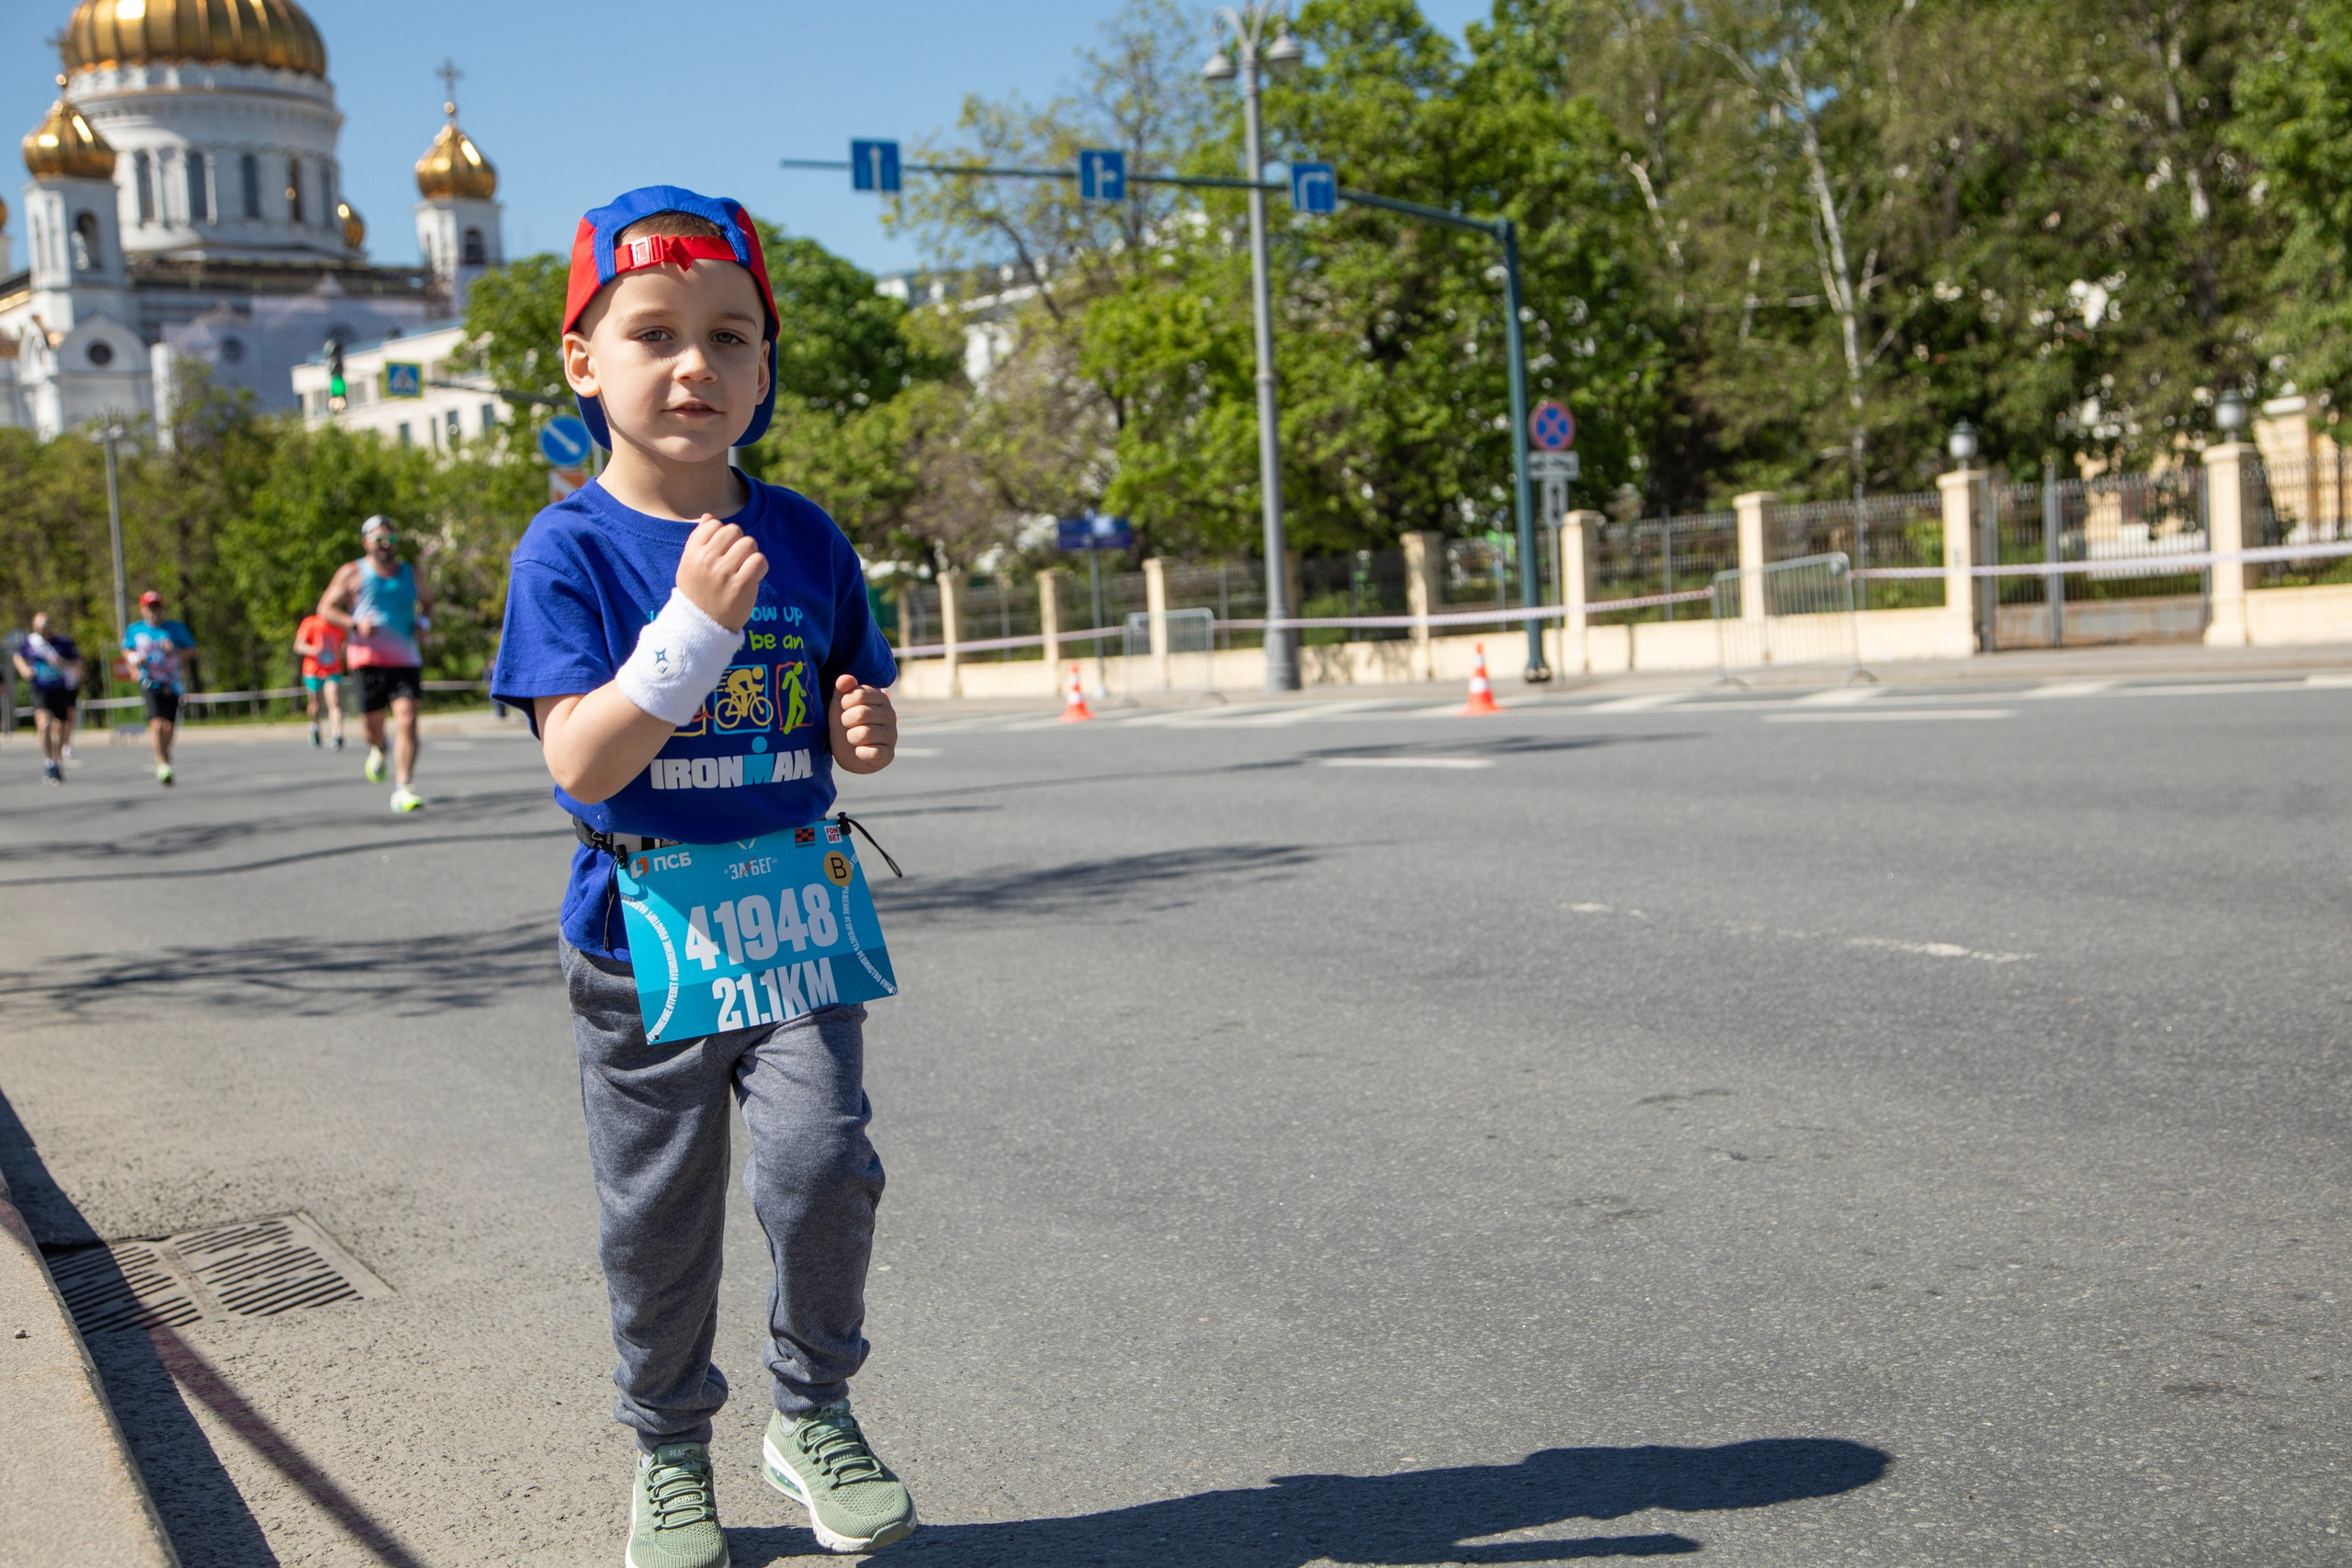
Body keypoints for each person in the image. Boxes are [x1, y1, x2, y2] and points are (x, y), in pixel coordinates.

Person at [489, 187, 908, 1567]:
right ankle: (670, 1447)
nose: (695, 366)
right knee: (662, 1210)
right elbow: (590, 761)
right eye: (655, 332)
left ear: (766, 366)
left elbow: (852, 695)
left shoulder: (805, 535)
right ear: (581, 359)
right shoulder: (569, 550)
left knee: (821, 1163)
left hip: (793, 914)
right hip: (642, 933)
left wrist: (864, 726)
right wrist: (686, 632)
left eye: (733, 338)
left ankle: (814, 1409)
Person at [318, 516, 433, 811]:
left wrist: (423, 622)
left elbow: (428, 603)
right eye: (379, 539)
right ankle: (378, 747)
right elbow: (326, 608)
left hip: (405, 657)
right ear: (366, 542)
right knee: (373, 726)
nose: (385, 544)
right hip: (366, 659)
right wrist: (354, 624)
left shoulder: (410, 573)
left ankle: (403, 787)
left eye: (390, 539)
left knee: (407, 720)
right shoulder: (353, 572)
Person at [124, 591, 196, 786]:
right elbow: (127, 650)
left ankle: (162, 752)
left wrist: (174, 650)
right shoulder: (135, 630)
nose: (153, 611)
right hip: (150, 681)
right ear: (142, 609)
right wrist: (133, 666)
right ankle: (163, 763)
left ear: (162, 608)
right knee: (156, 724)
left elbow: (191, 650)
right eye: (149, 607)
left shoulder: (175, 629)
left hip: (172, 682)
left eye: (156, 606)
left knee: (169, 726)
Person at [12, 612, 83, 784]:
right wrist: (24, 670)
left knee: (59, 728)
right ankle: (49, 761)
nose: (43, 631)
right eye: (39, 628)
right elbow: (18, 657)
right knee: (44, 725)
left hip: (61, 689)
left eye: (46, 627)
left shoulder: (63, 643)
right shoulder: (31, 642)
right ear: (35, 627)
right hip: (40, 689)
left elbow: (79, 664)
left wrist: (62, 663)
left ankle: (57, 761)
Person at [293, 609, 347, 750]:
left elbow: (343, 645)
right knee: (315, 704)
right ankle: (315, 726)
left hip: (333, 669)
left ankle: (337, 734)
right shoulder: (311, 623)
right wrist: (314, 650)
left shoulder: (339, 625)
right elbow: (298, 646)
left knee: (334, 701)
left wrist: (343, 649)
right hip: (313, 670)